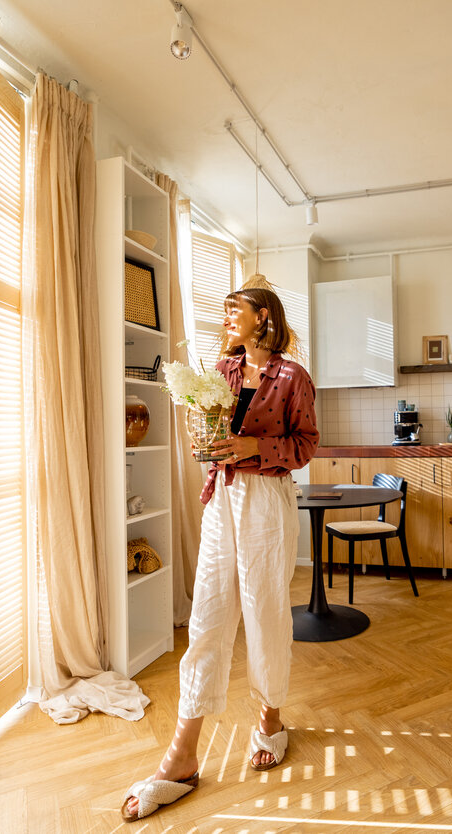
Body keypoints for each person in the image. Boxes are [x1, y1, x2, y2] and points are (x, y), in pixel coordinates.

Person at [121, 285, 320, 823]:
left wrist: (259, 447)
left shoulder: (292, 376)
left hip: (267, 503)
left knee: (265, 613)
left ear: (263, 318)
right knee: (207, 616)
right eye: (225, 311)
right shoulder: (221, 371)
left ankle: (270, 720)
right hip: (221, 500)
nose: (226, 318)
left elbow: (306, 444)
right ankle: (182, 755)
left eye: (236, 310)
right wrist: (206, 445)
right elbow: (210, 431)